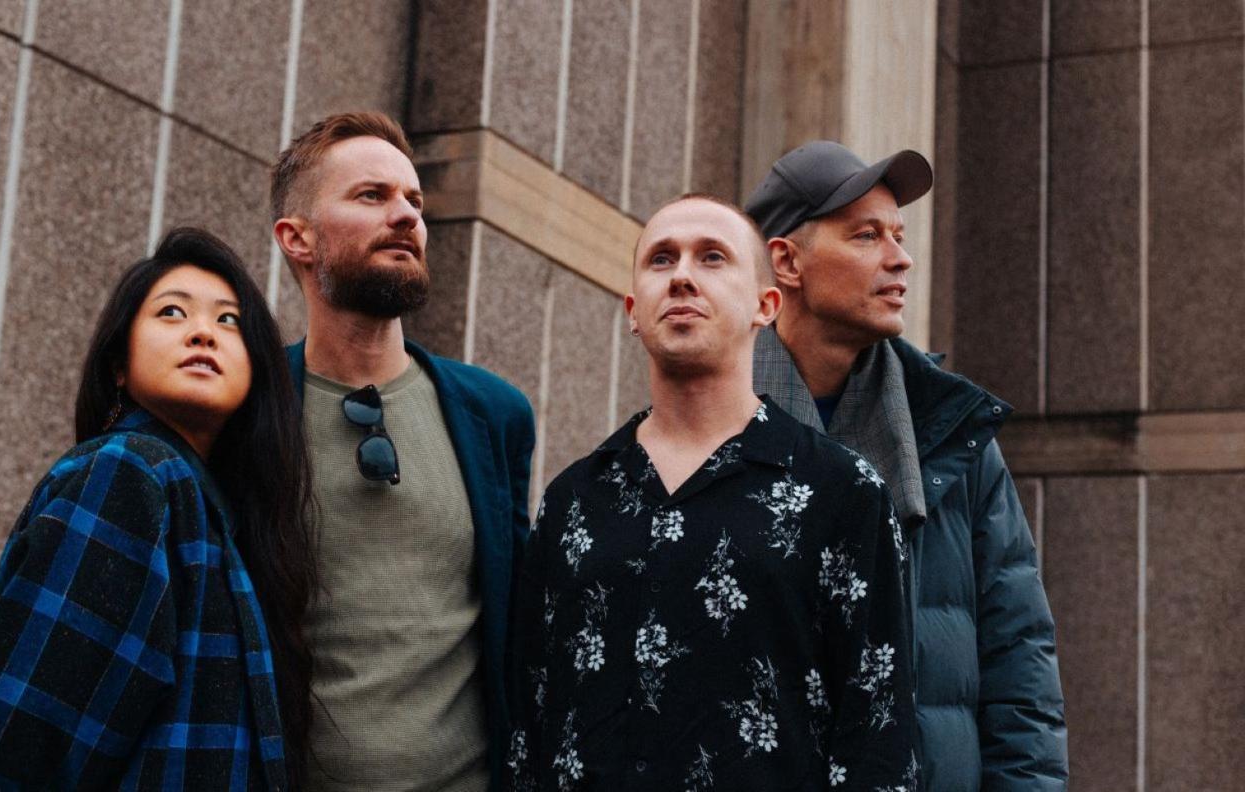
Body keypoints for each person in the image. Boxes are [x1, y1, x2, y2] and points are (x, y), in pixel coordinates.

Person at [509, 194, 917, 790]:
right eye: (661, 259)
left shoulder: (844, 493)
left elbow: (880, 740)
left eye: (712, 258)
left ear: (766, 304)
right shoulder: (574, 502)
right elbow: (529, 724)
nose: (681, 276)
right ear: (631, 309)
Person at [744, 140, 1068, 790]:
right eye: (867, 236)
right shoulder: (708, 428)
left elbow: (1019, 660)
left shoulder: (951, 435)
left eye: (899, 235)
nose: (901, 258)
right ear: (787, 261)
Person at [0, 227, 316, 790]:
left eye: (229, 321)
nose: (203, 333)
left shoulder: (207, 511)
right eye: (172, 313)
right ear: (119, 364)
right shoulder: (127, 474)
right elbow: (17, 745)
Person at [270, 112, 535, 791]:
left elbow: (522, 628)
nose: (406, 216)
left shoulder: (494, 415)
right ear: (297, 239)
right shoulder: (250, 413)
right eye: (371, 196)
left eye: (414, 201)